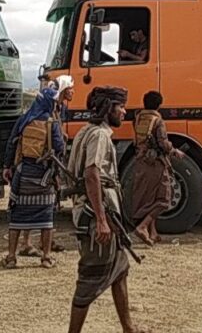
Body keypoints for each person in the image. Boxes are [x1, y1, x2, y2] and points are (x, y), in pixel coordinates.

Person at [66, 86, 146, 333]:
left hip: (102, 214)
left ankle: (128, 329)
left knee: (120, 270)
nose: (124, 112)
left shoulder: (85, 131)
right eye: (120, 107)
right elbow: (91, 174)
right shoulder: (99, 135)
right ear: (108, 108)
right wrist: (101, 219)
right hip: (96, 217)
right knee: (89, 279)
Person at [0, 77, 72, 269]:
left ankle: (11, 257)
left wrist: (7, 167)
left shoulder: (24, 120)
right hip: (43, 177)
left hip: (23, 174)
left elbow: (12, 143)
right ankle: (46, 257)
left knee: (16, 216)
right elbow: (59, 148)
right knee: (46, 218)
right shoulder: (51, 123)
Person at [130, 91, 183, 246]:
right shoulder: (158, 120)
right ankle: (142, 227)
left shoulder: (138, 118)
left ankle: (153, 233)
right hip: (156, 163)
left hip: (141, 160)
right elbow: (163, 143)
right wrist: (175, 151)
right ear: (159, 105)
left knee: (150, 198)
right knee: (164, 199)